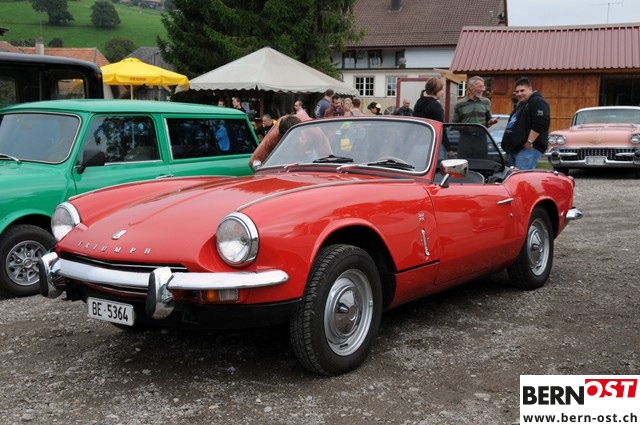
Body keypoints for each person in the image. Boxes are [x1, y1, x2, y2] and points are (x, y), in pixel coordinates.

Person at [501, 77, 550, 170]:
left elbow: (541, 122)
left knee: (522, 176)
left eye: (522, 90)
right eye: (517, 92)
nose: (519, 94)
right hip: (515, 149)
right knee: (513, 177)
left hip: (527, 149)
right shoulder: (521, 105)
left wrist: (529, 141)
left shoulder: (538, 102)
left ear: (530, 89)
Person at [452, 76, 499, 158]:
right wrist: (467, 127)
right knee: (465, 163)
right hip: (465, 139)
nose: (482, 90)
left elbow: (488, 120)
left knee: (481, 163)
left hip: (481, 139)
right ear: (471, 87)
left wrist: (491, 122)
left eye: (483, 87)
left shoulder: (486, 102)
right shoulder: (459, 104)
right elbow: (454, 124)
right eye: (480, 87)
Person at [413, 77, 454, 159]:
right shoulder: (435, 105)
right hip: (433, 145)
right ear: (436, 90)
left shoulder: (419, 102)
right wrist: (448, 149)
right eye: (441, 89)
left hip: (418, 144)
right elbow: (441, 129)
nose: (443, 92)